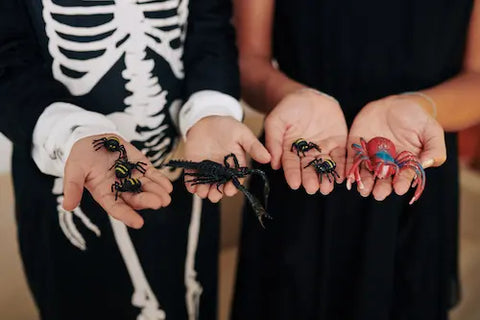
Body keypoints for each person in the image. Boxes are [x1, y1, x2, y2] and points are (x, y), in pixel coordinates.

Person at [0, 0, 269, 319]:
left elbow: (211, 26)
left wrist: (211, 109)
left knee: (191, 299)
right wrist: (67, 132)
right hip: (66, 173)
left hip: (185, 157)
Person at [232, 0, 480, 319]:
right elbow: (249, 61)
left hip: (413, 162)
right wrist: (292, 96)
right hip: (305, 150)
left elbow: (476, 77)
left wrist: (422, 108)